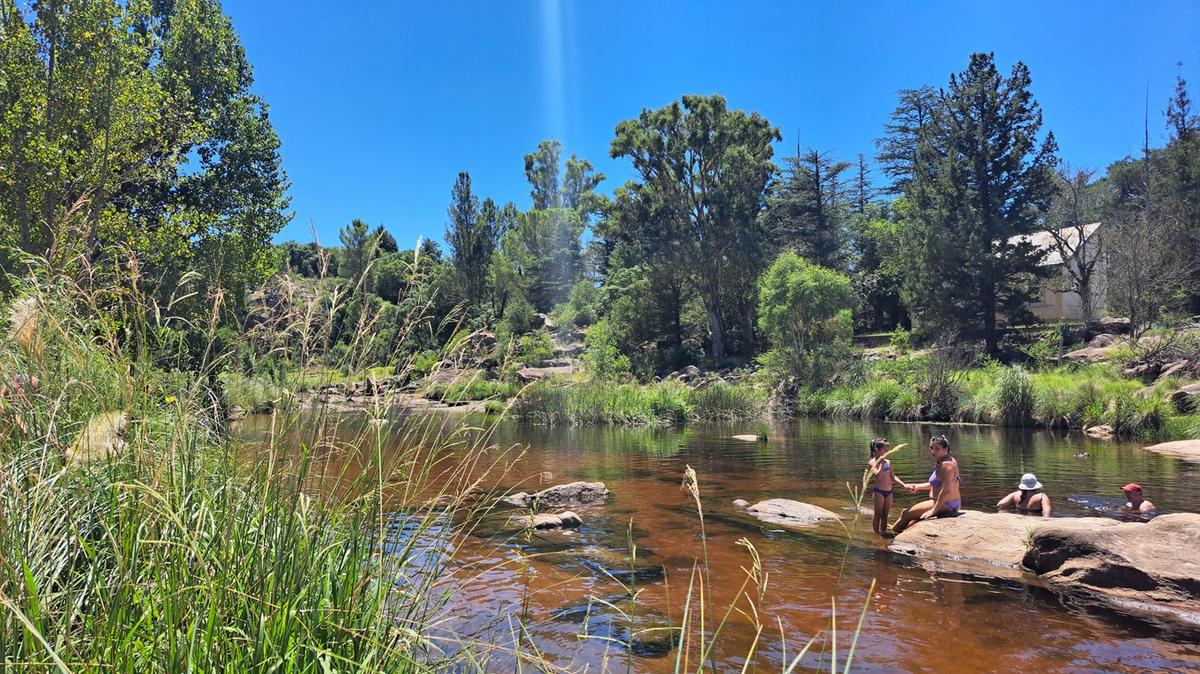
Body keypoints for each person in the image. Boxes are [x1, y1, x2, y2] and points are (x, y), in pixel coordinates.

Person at [891, 435, 961, 534]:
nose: (933, 451)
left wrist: (933, 510)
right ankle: (896, 535)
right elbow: (937, 484)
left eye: (937, 448)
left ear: (946, 449)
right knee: (912, 523)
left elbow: (946, 491)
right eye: (931, 448)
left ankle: (886, 537)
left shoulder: (946, 465)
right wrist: (918, 487)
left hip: (946, 504)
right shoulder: (945, 460)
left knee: (905, 514)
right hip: (946, 503)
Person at [867, 437, 911, 536]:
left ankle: (883, 533)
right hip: (879, 492)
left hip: (889, 492)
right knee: (878, 515)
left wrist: (903, 485)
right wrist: (881, 463)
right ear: (877, 449)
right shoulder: (872, 462)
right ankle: (876, 535)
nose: (887, 451)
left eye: (888, 449)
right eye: (885, 449)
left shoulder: (888, 462)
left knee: (885, 515)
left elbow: (893, 476)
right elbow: (878, 476)